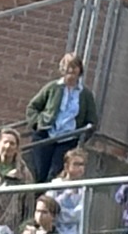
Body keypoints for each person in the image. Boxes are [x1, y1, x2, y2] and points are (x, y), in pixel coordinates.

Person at [26, 51, 100, 181]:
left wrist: (81, 136)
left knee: (55, 175)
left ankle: (47, 201)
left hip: (68, 139)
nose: (71, 70)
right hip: (46, 136)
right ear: (62, 68)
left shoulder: (86, 94)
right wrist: (38, 123)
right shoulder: (52, 87)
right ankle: (38, 200)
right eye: (68, 66)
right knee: (39, 173)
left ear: (80, 70)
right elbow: (33, 107)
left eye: (75, 66)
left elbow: (92, 121)